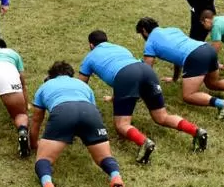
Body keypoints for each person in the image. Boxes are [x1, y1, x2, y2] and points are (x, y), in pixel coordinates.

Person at [78, 30, 208, 161]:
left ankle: (144, 142)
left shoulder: (90, 57)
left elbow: (80, 86)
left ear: (91, 45)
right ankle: (196, 131)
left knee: (121, 125)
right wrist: (114, 97)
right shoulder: (120, 48)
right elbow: (124, 72)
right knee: (162, 116)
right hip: (145, 70)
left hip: (126, 77)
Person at [29, 61, 125, 187]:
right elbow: (91, 110)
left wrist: (34, 144)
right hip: (90, 112)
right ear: (70, 75)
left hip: (62, 112)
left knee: (44, 159)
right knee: (104, 157)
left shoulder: (45, 86)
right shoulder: (83, 85)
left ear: (51, 75)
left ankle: (48, 184)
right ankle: (115, 176)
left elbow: (36, 120)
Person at [136, 17, 224, 119]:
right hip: (207, 49)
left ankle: (222, 104)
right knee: (213, 83)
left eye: (141, 34)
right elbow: (177, 57)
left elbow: (147, 71)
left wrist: (140, 93)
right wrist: (174, 79)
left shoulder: (150, 42)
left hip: (195, 57)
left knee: (188, 95)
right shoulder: (173, 30)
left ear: (144, 31)